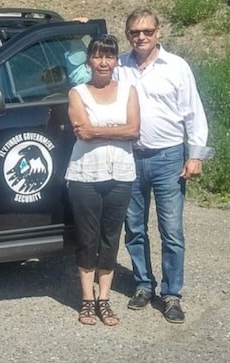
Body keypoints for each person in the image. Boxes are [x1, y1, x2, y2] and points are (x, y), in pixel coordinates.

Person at [115, 7, 214, 324]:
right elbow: (90, 71)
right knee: (134, 229)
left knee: (171, 231)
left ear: (159, 32)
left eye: (147, 31)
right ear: (128, 34)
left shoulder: (177, 67)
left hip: (168, 157)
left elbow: (193, 113)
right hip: (130, 156)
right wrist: (82, 28)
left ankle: (171, 294)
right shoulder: (120, 66)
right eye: (134, 32)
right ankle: (144, 285)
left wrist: (195, 154)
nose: (140, 37)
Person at [66, 34, 140, 326]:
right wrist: (114, 128)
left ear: (116, 61)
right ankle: (86, 300)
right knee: (87, 238)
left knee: (111, 238)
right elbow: (82, 132)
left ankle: (104, 300)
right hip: (85, 174)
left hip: (121, 173)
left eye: (109, 56)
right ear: (89, 60)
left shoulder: (128, 90)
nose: (104, 62)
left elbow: (134, 129)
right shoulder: (77, 93)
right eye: (98, 56)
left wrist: (98, 130)